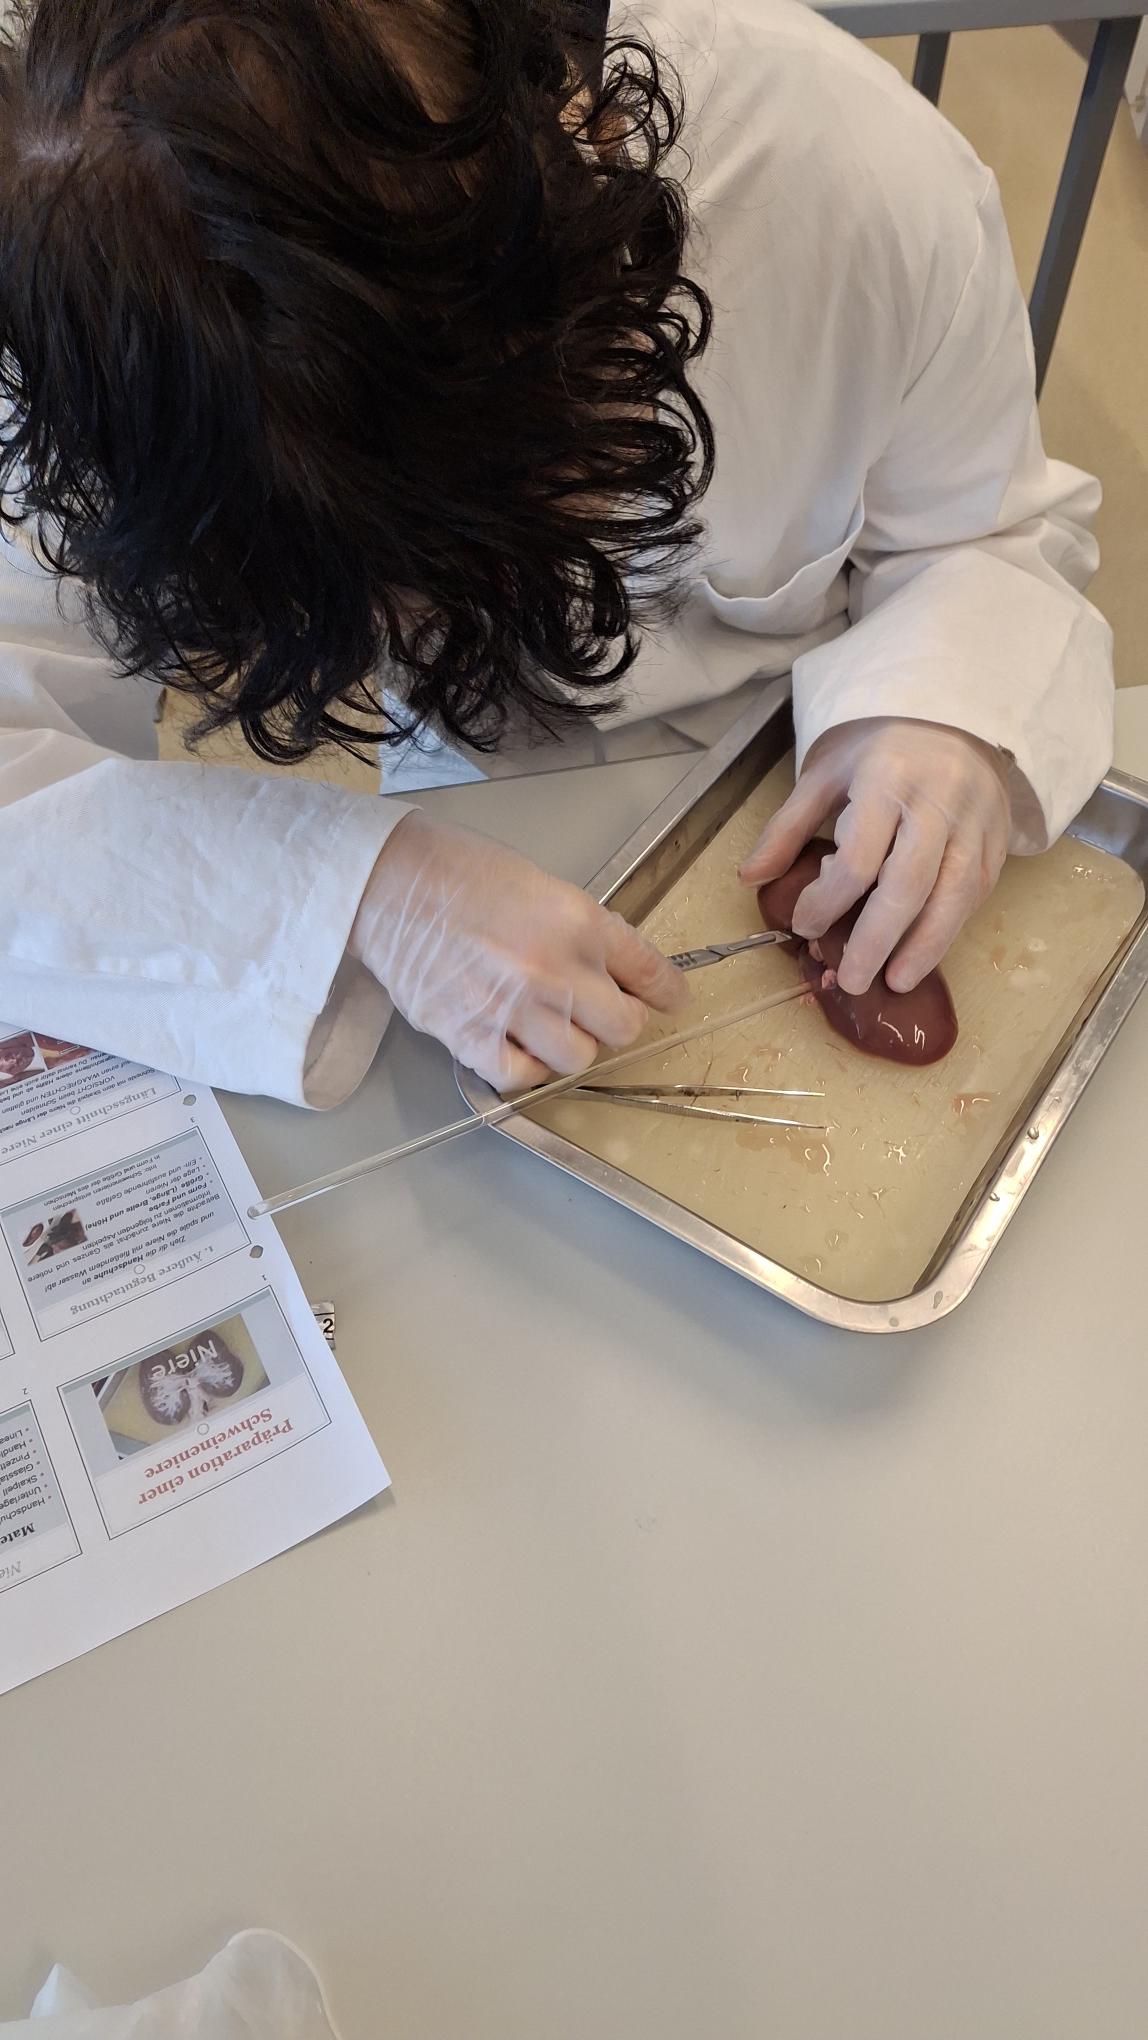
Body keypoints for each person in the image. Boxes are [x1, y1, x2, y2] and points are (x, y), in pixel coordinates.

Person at [0, 0, 1113, 1105]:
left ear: (590, 138)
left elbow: (980, 532)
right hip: (472, 806)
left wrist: (942, 709)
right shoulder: (61, 287)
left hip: (804, 769)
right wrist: (367, 894)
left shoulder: (846, 174)